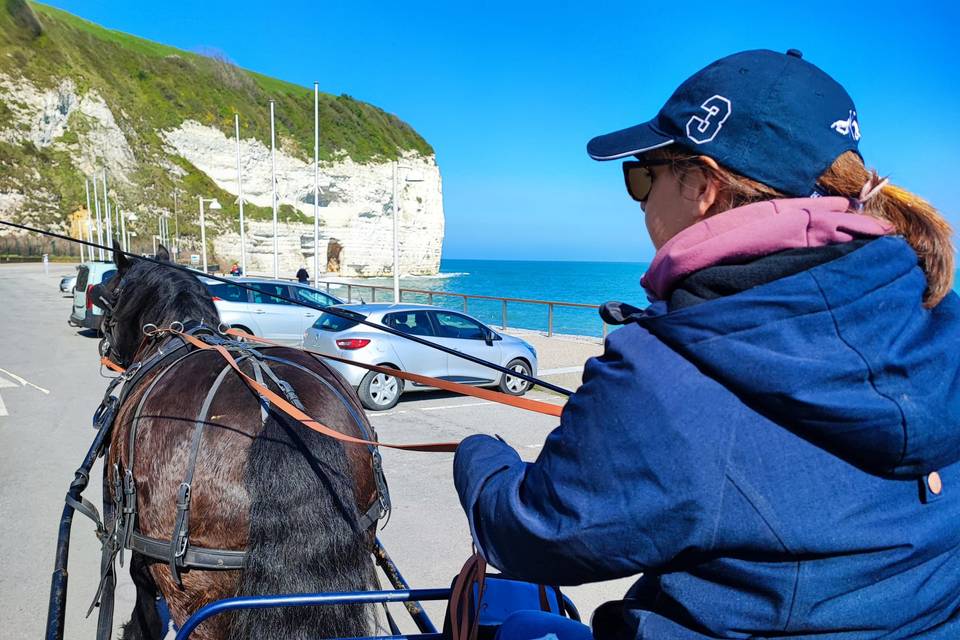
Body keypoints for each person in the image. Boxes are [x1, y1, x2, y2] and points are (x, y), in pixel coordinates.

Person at [453, 49, 960, 638]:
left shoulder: (663, 370)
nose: (640, 200)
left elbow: (532, 534)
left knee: (516, 622)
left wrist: (479, 454)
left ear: (702, 185)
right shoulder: (937, 314)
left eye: (641, 176)